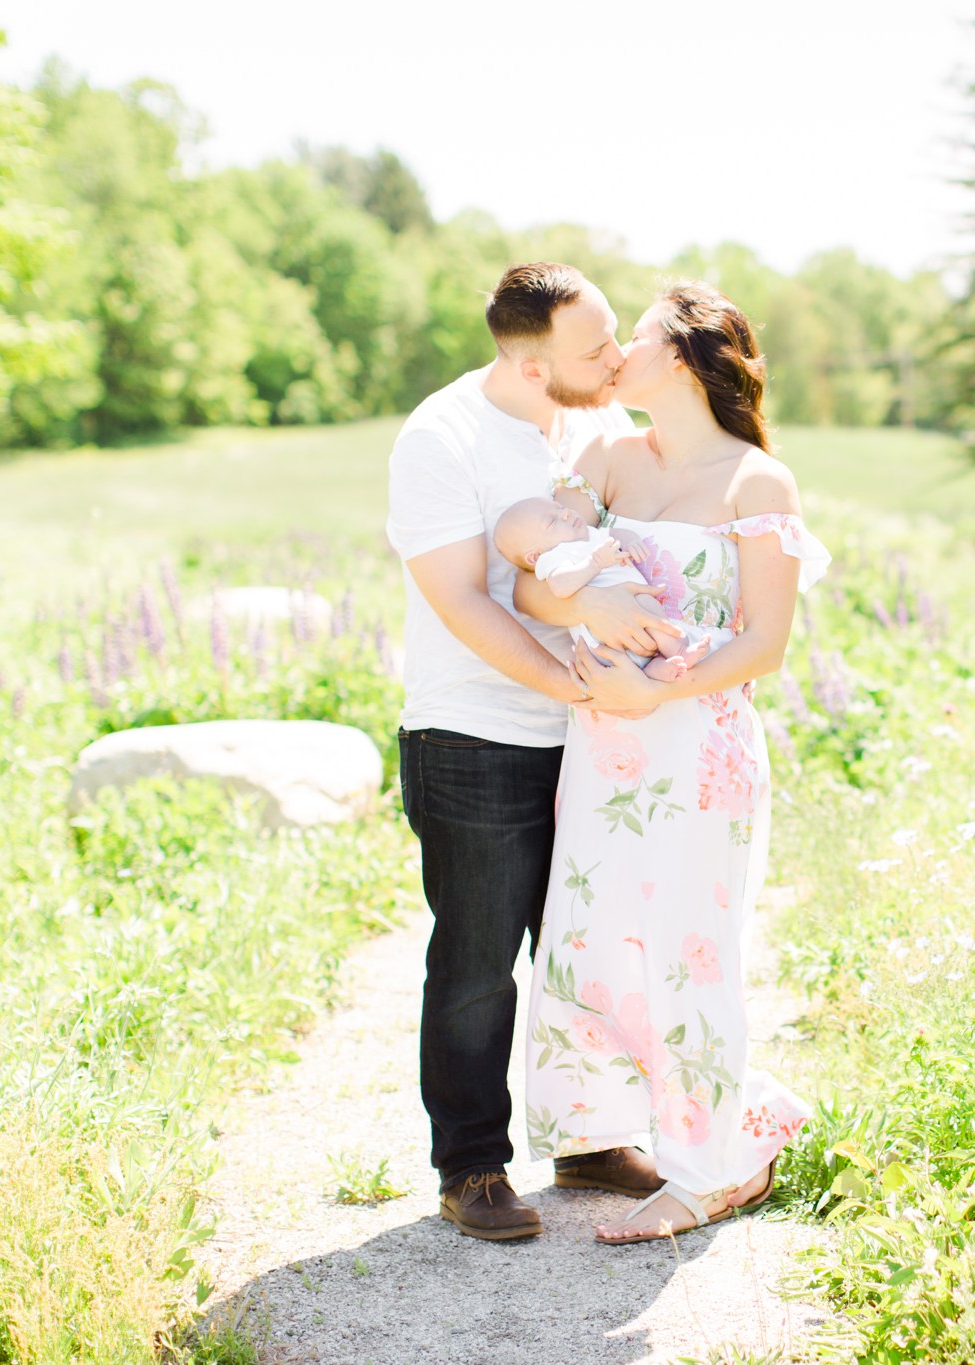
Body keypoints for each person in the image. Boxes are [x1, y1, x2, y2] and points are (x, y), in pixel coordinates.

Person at [515, 281, 831, 1245]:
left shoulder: (755, 484)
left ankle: (709, 1172)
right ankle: (666, 1125)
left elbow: (764, 646)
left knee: (689, 954)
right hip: (605, 750)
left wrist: (656, 690)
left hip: (698, 749)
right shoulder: (608, 456)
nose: (617, 356)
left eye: (637, 338)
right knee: (592, 943)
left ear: (687, 357)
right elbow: (533, 584)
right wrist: (590, 613)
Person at [385, 262, 680, 1242]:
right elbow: (462, 598)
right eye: (593, 348)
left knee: (584, 946)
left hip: (595, 736)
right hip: (476, 736)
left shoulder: (592, 422)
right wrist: (569, 683)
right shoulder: (443, 438)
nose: (615, 359)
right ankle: (469, 1165)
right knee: (477, 963)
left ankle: (589, 1137)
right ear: (525, 361)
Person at [492, 495, 717, 681]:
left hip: (623, 629)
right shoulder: (553, 558)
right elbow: (560, 586)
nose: (566, 514)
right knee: (645, 608)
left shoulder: (591, 535)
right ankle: (679, 650)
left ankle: (658, 669)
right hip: (603, 635)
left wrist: (629, 541)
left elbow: (616, 535)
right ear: (534, 556)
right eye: (552, 522)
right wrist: (595, 563)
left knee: (645, 624)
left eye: (560, 508)